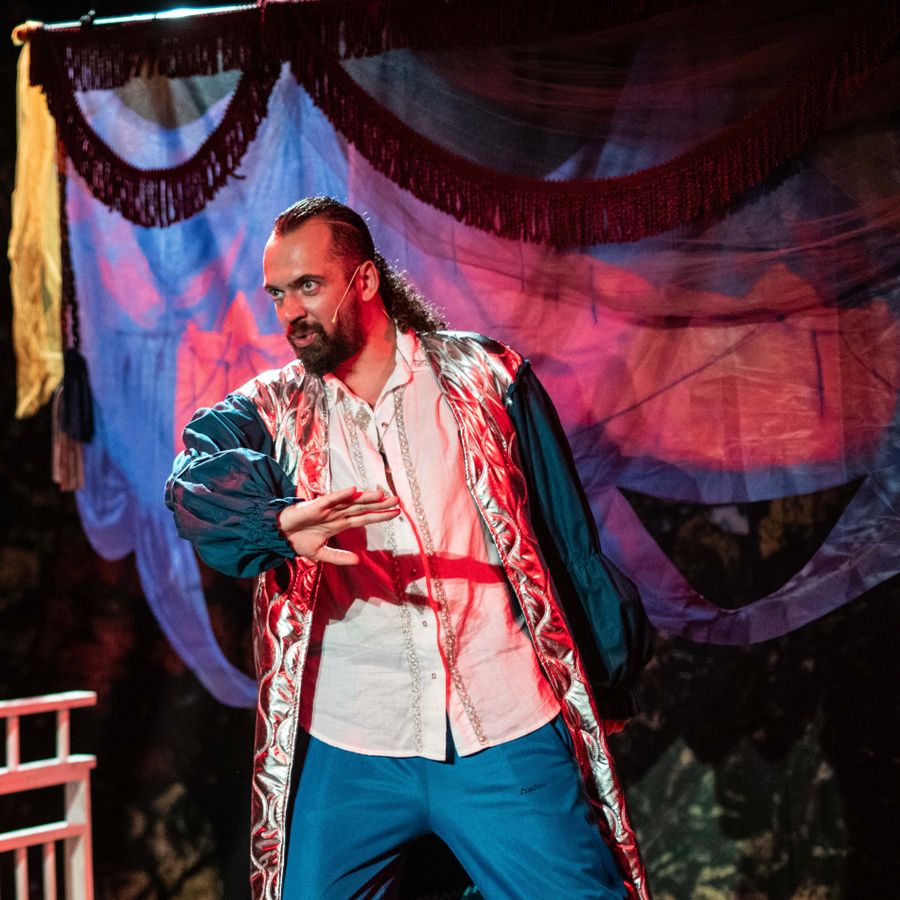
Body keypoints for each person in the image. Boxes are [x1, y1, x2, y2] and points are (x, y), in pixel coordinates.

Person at [165, 197, 652, 900]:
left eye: (308, 286)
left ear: (364, 280)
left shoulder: (487, 378)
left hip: (500, 722)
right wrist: (278, 521)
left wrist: (603, 677)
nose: (290, 312)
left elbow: (565, 536)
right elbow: (192, 483)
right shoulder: (271, 411)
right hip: (354, 740)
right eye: (277, 294)